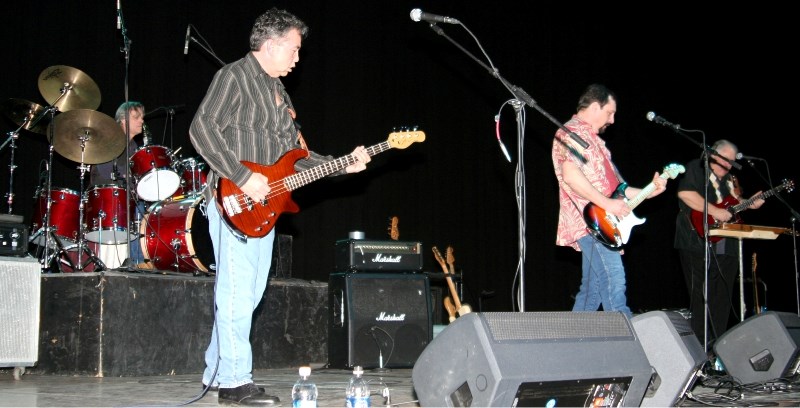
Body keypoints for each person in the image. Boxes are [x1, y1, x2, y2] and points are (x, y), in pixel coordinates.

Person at [189, 8, 371, 406]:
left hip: (265, 206)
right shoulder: (233, 76)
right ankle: (235, 383)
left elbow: (298, 157)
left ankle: (217, 371)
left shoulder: (279, 93)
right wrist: (239, 175)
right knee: (237, 295)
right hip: (234, 199)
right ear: (270, 45)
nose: (297, 58)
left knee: (249, 296)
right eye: (294, 49)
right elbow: (201, 128)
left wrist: (343, 165)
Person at [551, 83, 668, 318]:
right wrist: (606, 204)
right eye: (610, 112)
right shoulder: (571, 132)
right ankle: (629, 339)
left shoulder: (596, 143)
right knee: (614, 282)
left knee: (591, 291)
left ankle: (571, 341)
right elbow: (572, 177)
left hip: (604, 222)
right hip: (590, 221)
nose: (612, 120)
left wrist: (650, 190)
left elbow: (619, 191)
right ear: (595, 107)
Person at [674, 139, 764, 345]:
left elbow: (731, 207)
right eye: (727, 160)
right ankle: (698, 351)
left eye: (732, 161)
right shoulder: (696, 168)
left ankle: (716, 350)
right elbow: (685, 193)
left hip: (727, 246)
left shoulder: (731, 180)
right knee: (701, 299)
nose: (730, 165)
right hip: (696, 242)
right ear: (714, 155)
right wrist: (714, 211)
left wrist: (749, 204)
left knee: (722, 300)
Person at [88, 101, 147, 268]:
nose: (141, 121)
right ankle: (136, 262)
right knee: (139, 208)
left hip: (125, 196)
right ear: (123, 120)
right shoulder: (109, 140)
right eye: (136, 117)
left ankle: (141, 261)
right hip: (107, 197)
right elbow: (106, 173)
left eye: (142, 117)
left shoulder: (134, 146)